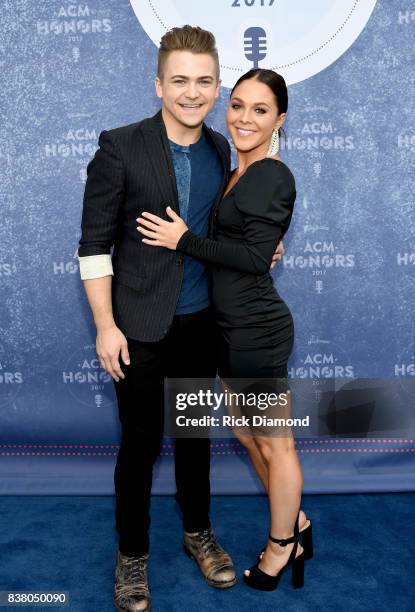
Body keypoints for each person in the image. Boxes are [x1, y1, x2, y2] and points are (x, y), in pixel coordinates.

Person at [77, 25, 293, 611]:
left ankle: (199, 534)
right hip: (138, 329)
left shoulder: (225, 150)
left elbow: (232, 232)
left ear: (217, 85)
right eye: (179, 80)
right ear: (159, 85)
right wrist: (105, 325)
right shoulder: (120, 146)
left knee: (195, 440)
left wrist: (263, 250)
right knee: (141, 446)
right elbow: (94, 247)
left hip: (202, 326)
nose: (192, 92)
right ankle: (132, 557)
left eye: (203, 81)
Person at [136, 67, 313, 592]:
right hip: (228, 329)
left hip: (257, 331)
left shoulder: (273, 175)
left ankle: (282, 547)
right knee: (244, 431)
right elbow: (249, 245)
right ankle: (297, 520)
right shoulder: (236, 169)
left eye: (260, 110)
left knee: (276, 442)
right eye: (237, 105)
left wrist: (183, 240)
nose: (244, 118)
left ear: (279, 120)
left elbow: (256, 259)